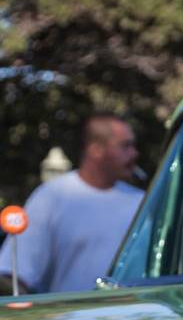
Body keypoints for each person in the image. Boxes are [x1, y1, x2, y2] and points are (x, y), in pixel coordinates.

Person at [0, 115, 142, 294]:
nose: (134, 154)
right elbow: (16, 276)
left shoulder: (142, 203)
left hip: (137, 319)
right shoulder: (50, 197)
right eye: (125, 146)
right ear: (96, 149)